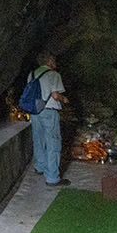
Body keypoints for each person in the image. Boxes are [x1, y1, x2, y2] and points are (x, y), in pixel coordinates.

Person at [29, 50, 70, 186]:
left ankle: (40, 166)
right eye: (54, 61)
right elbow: (55, 95)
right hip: (49, 111)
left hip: (35, 111)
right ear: (50, 61)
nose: (55, 63)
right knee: (53, 142)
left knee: (38, 139)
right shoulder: (54, 74)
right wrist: (64, 100)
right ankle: (52, 177)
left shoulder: (32, 74)